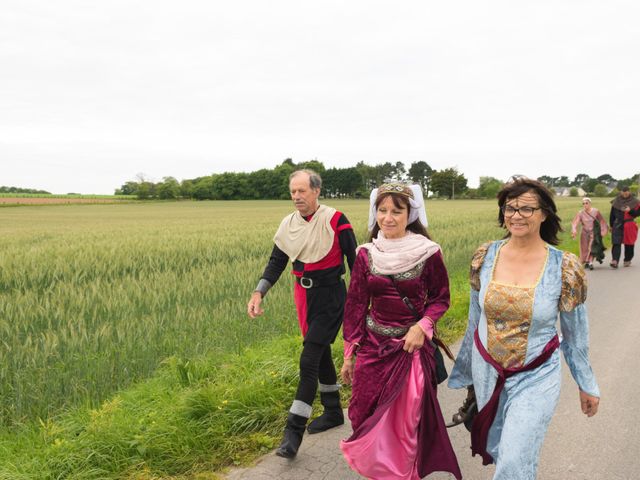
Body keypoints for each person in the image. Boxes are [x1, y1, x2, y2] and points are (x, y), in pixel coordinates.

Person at [448, 177, 600, 480]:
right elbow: (474, 322)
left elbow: (575, 337)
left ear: (544, 214)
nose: (516, 215)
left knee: (515, 459)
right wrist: (467, 375)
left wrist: (587, 384)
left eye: (527, 209)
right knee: (505, 452)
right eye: (510, 208)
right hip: (489, 374)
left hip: (536, 376)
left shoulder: (565, 267)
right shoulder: (485, 256)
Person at [340, 183, 462, 480]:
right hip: (373, 349)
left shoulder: (427, 252)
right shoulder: (366, 254)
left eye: (397, 211)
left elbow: (440, 298)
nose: (388, 217)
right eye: (382, 210)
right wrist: (349, 353)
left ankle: (405, 473)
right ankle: (379, 471)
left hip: (410, 350)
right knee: (364, 414)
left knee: (407, 422)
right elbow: (356, 305)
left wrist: (423, 326)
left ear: (410, 214)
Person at [247, 169, 357, 458]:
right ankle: (333, 410)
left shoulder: (336, 220)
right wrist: (259, 292)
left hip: (331, 295)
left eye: (302, 191)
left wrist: (361, 303)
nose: (296, 197)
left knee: (308, 358)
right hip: (303, 296)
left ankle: (292, 433)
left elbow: (355, 262)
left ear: (316, 191)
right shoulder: (288, 224)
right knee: (318, 352)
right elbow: (276, 261)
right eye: (293, 191)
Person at [571, 197, 608, 269]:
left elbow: (601, 221)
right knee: (584, 248)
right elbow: (575, 222)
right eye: (583, 203)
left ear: (590, 203)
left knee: (591, 247)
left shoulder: (596, 211)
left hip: (593, 232)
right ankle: (586, 261)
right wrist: (574, 230)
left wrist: (603, 231)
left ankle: (590, 262)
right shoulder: (580, 213)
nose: (585, 205)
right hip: (584, 233)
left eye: (586, 203)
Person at [609, 186, 640, 268]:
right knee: (616, 242)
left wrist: (630, 210)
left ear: (629, 192)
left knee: (629, 243)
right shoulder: (616, 201)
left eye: (627, 191)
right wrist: (611, 225)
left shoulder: (635, 201)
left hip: (629, 224)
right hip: (617, 224)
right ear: (621, 192)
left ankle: (627, 259)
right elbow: (612, 215)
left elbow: (637, 213)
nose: (625, 193)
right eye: (623, 191)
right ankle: (615, 260)